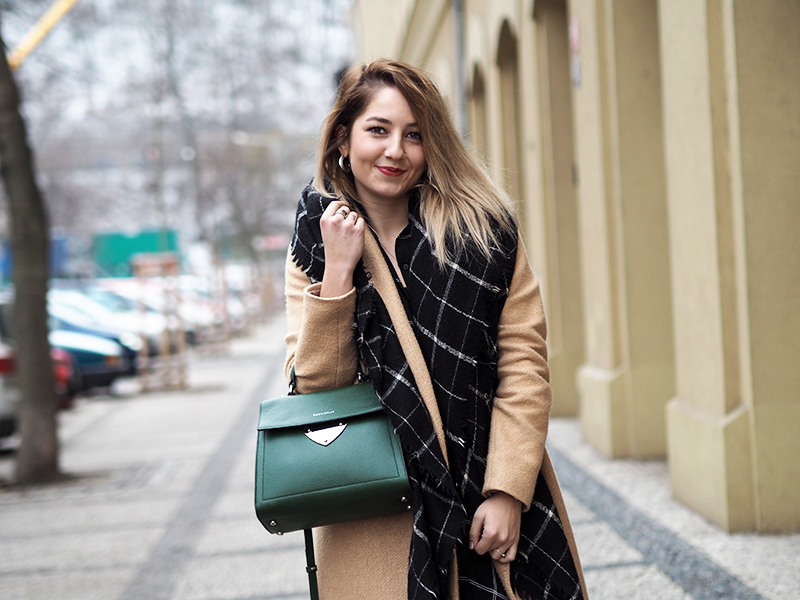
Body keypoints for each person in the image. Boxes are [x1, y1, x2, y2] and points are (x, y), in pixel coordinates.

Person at [284, 59, 587, 600]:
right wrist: (338, 274)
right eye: (378, 130)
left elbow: (524, 363)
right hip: (380, 514)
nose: (395, 150)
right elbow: (316, 389)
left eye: (414, 135)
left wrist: (508, 490)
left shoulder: (484, 233)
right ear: (343, 140)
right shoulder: (313, 242)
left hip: (488, 497)